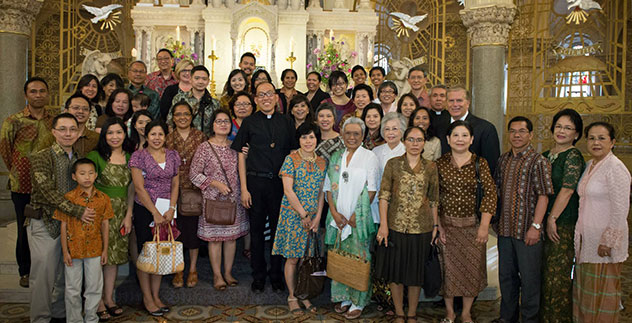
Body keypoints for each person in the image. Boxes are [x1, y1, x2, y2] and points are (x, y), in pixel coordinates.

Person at [231, 82, 297, 293]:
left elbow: (294, 153)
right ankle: (258, 275)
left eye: (270, 94)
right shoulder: (249, 122)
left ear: (276, 97)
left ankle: (276, 275)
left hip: (280, 185)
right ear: (256, 100)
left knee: (279, 231)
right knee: (257, 233)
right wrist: (243, 188)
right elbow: (241, 155)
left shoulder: (286, 121)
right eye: (261, 95)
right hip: (255, 183)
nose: (266, 98)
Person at [28, 113, 94, 323]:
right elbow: (48, 192)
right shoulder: (41, 157)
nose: (68, 134)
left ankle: (59, 315)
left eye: (72, 129)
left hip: (71, 226)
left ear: (78, 132)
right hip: (45, 223)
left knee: (66, 277)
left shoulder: (78, 158)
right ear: (54, 132)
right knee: (43, 278)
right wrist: (79, 211)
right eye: (63, 129)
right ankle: (40, 319)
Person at [375, 125, 439, 323]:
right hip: (395, 226)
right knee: (396, 273)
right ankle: (398, 313)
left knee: (415, 273)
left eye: (419, 140)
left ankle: (411, 313)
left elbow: (434, 199)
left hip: (422, 228)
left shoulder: (431, 167)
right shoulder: (393, 164)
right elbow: (383, 196)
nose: (414, 144)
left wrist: (436, 226)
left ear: (424, 144)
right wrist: (383, 225)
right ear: (404, 141)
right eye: (411, 139)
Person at [436, 121, 498, 323]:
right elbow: (433, 198)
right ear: (448, 139)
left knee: (472, 270)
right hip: (448, 228)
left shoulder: (480, 163)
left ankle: (466, 313)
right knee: (449, 272)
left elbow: (490, 195)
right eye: (455, 135)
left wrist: (484, 227)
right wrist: (438, 226)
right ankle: (450, 313)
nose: (460, 139)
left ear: (471, 139)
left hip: (473, 228)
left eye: (464, 135)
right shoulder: (439, 163)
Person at [493, 116, 553, 323]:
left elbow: (544, 196)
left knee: (529, 280)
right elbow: (497, 192)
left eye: (522, 131)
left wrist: (536, 227)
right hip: (505, 230)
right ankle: (506, 318)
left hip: (528, 231)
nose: (517, 135)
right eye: (513, 131)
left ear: (531, 135)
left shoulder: (539, 161)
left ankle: (529, 319)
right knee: (506, 279)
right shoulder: (503, 160)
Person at [0, 77, 56, 288]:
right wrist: (19, 168)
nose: (38, 95)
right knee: (25, 230)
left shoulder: (54, 120)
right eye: (33, 91)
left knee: (48, 228)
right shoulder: (14, 121)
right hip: (22, 185)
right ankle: (25, 270)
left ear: (47, 94)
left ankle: (48, 270)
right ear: (26, 95)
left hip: (48, 186)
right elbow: (6, 150)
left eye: (42, 91)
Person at [573, 122, 630, 323]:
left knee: (603, 295)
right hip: (587, 239)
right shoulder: (590, 165)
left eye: (602, 138)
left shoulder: (615, 168)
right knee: (587, 294)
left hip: (603, 244)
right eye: (592, 138)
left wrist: (608, 240)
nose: (596, 142)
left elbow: (620, 208)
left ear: (612, 142)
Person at [324, 117, 379, 319]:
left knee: (359, 258)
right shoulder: (336, 156)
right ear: (342, 135)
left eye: (357, 133)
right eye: (348, 133)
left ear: (363, 136)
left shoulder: (369, 157)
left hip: (359, 218)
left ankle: (359, 300)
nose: (352, 137)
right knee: (340, 257)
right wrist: (335, 213)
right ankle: (345, 297)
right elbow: (328, 188)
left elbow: (371, 188)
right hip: (337, 218)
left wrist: (356, 214)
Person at [190, 109, 249, 290]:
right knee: (215, 240)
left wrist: (246, 157)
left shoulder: (235, 147)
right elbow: (194, 174)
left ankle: (228, 272)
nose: (223, 124)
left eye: (226, 121)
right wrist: (214, 183)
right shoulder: (204, 148)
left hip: (233, 200)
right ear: (212, 125)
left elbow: (242, 172)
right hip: (213, 201)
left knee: (231, 239)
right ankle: (217, 275)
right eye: (218, 121)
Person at [272, 122, 326, 316]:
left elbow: (321, 192)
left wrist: (317, 217)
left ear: (317, 139)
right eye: (304, 137)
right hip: (293, 215)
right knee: (293, 258)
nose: (308, 141)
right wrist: (303, 214)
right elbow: (288, 190)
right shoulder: (291, 159)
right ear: (299, 140)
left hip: (312, 218)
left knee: (306, 258)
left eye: (312, 137)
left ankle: (304, 293)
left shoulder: (321, 162)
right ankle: (292, 296)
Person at [129, 120, 180, 316]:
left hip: (167, 209)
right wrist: (154, 213)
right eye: (153, 134)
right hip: (146, 210)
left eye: (160, 134)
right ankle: (147, 297)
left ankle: (156, 295)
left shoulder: (173, 155)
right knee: (146, 252)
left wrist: (171, 208)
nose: (157, 138)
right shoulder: (138, 157)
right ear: (146, 136)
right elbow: (139, 188)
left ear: (165, 137)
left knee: (161, 251)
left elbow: (176, 184)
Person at [54, 158, 113, 323]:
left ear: (95, 175)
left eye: (90, 173)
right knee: (72, 288)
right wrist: (65, 251)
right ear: (74, 176)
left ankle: (91, 318)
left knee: (94, 287)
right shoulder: (69, 199)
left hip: (95, 249)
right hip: (73, 250)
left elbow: (105, 225)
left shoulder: (103, 198)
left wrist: (105, 250)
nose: (87, 177)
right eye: (82, 173)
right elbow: (63, 226)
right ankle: (74, 320)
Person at [86, 117, 134, 320]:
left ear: (125, 134)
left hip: (122, 213)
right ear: (104, 136)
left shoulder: (131, 157)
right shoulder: (95, 156)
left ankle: (109, 298)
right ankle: (97, 302)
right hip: (99, 214)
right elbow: (87, 187)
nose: (115, 137)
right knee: (98, 258)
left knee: (113, 259)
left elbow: (132, 188)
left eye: (119, 132)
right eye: (110, 133)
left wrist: (129, 214)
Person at [540, 109, 585, 322]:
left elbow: (567, 189)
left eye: (568, 128)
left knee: (557, 275)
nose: (561, 131)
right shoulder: (546, 155)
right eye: (559, 126)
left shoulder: (573, 156)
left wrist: (552, 218)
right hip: (541, 222)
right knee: (543, 273)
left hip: (562, 223)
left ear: (576, 134)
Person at [165, 101, 207, 288]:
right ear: (173, 118)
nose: (182, 118)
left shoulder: (200, 137)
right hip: (171, 191)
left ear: (192, 117)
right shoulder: (167, 138)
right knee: (176, 232)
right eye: (178, 114)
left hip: (194, 191)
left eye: (186, 114)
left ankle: (193, 269)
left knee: (192, 232)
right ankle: (178, 269)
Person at [436, 86, 500, 174]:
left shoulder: (485, 128)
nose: (455, 104)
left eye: (459, 100)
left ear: (468, 103)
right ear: (446, 103)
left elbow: (492, 165)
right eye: (451, 101)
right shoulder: (440, 127)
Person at [168, 65, 220, 137]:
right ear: (190, 80)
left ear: (208, 81)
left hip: (206, 142)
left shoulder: (214, 103)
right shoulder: (180, 98)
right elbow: (170, 122)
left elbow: (217, 126)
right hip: (184, 142)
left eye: (204, 79)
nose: (200, 82)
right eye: (197, 78)